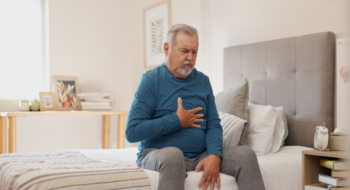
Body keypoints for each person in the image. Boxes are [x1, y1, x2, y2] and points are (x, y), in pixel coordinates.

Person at [126, 24, 265, 190]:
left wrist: (214, 154)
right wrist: (176, 120)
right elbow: (132, 131)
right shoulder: (150, 80)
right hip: (159, 154)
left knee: (245, 154)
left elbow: (213, 124)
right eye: (184, 51)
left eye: (194, 51)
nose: (190, 58)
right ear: (166, 48)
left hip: (201, 156)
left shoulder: (203, 81)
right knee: (173, 155)